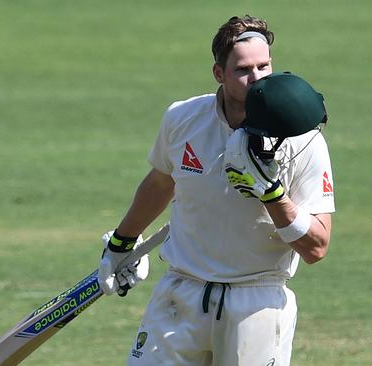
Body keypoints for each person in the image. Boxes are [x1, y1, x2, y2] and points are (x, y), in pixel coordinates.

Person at [97, 15, 335, 366]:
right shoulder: (183, 118)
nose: (257, 79)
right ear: (218, 74)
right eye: (243, 69)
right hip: (181, 294)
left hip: (256, 302)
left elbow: (317, 246)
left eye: (264, 66)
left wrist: (272, 195)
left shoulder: (302, 137)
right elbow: (161, 182)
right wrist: (122, 243)